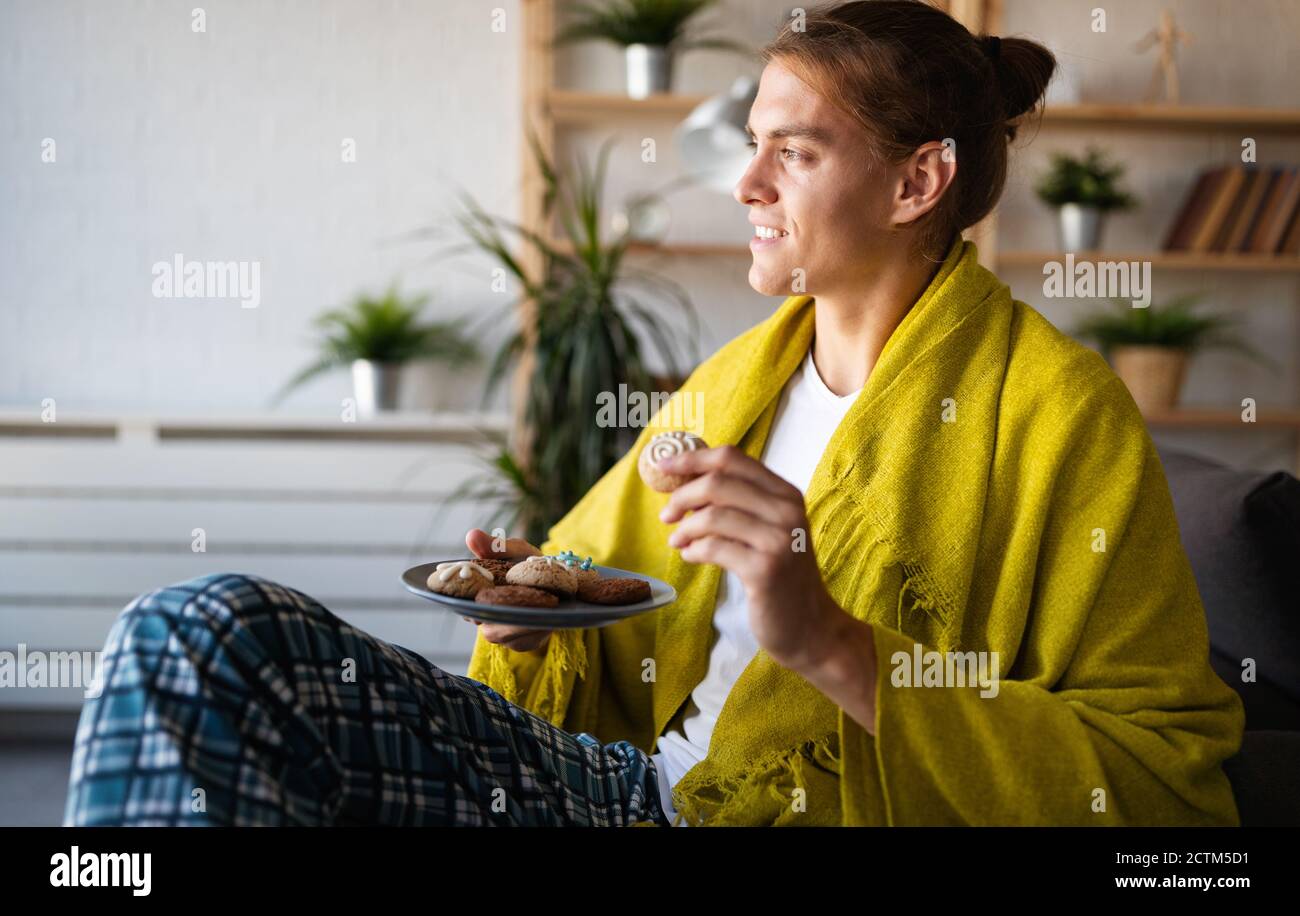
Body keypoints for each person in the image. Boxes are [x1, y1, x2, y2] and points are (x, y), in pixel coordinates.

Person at [65, 0, 1244, 827]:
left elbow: (1156, 784)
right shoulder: (740, 380)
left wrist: (832, 642)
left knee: (207, 651)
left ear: (916, 181)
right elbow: (612, 604)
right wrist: (535, 614)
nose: (745, 184)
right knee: (202, 628)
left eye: (792, 152)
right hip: (625, 786)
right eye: (750, 149)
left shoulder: (1056, 414)